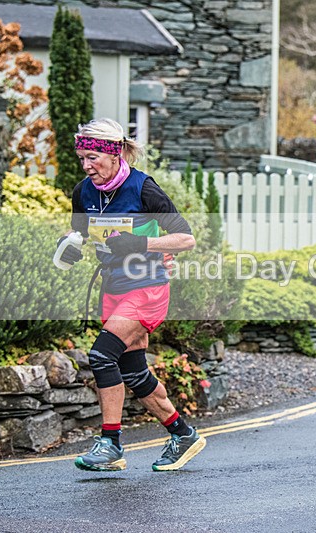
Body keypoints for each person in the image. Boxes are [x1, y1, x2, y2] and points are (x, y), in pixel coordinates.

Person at [58, 118, 206, 472]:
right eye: (82, 158)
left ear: (114, 154)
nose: (86, 165)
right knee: (134, 371)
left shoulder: (143, 189)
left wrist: (140, 243)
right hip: (113, 287)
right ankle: (183, 434)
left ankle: (110, 443)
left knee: (101, 356)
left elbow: (186, 238)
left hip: (147, 287)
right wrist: (70, 246)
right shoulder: (84, 192)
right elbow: (78, 232)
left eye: (92, 157)